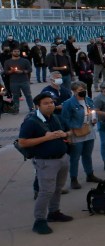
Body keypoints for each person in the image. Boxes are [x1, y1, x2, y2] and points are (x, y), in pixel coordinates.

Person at [18, 93, 74, 234]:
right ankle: (39, 221)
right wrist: (45, 138)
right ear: (38, 106)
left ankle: (54, 212)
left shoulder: (55, 117)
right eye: (46, 103)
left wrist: (65, 134)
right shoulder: (31, 122)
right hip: (46, 162)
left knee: (58, 188)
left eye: (51, 102)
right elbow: (22, 142)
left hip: (62, 158)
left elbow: (70, 131)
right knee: (46, 191)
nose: (50, 105)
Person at [60, 81, 102, 189]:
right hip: (76, 132)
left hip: (89, 130)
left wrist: (94, 119)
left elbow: (93, 112)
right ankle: (74, 178)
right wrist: (72, 128)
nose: (83, 92)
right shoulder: (68, 103)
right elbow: (65, 119)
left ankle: (90, 174)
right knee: (75, 157)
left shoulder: (88, 100)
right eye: (80, 90)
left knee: (87, 155)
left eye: (84, 90)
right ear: (74, 91)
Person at [4, 46, 34, 111]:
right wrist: (11, 71)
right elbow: (6, 72)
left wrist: (22, 71)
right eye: (15, 51)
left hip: (24, 81)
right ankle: (16, 109)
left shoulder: (25, 61)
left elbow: (30, 69)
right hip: (13, 82)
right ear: (11, 52)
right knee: (15, 96)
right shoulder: (7, 62)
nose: (17, 53)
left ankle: (31, 108)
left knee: (28, 95)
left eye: (18, 51)